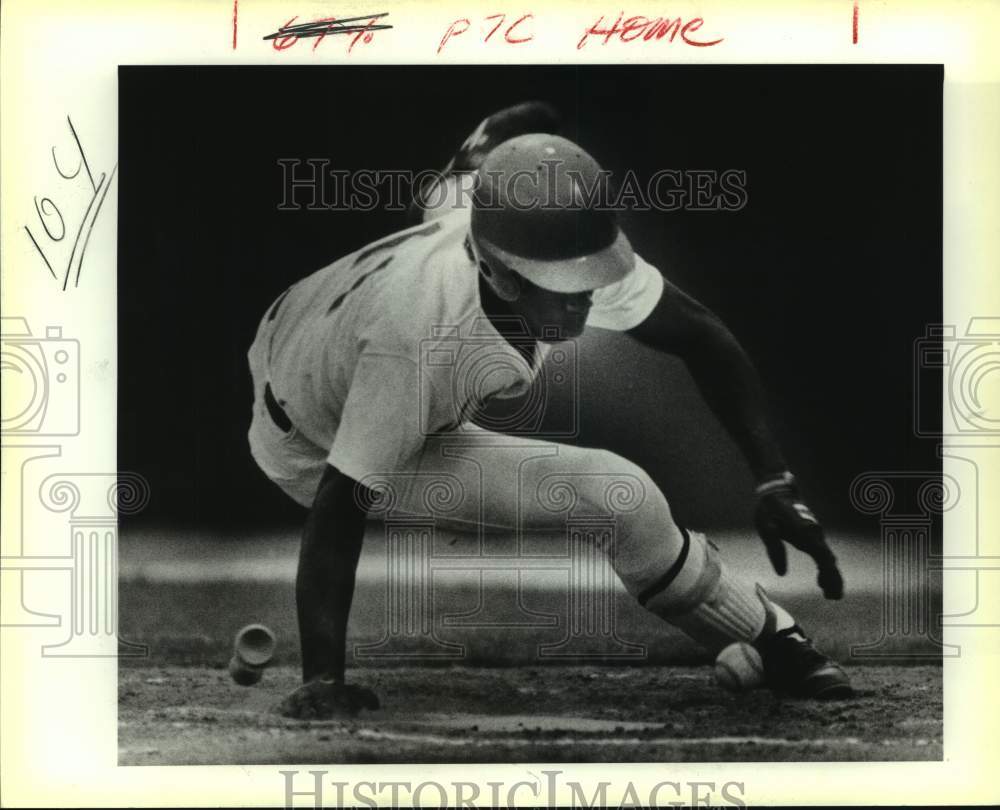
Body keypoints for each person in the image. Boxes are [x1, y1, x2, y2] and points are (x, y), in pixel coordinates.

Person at [247, 102, 852, 720]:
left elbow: (703, 336)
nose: (585, 299)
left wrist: (775, 479)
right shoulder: (414, 341)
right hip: (306, 435)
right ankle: (762, 634)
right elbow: (338, 505)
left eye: (591, 275)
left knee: (625, 496)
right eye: (565, 285)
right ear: (503, 275)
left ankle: (772, 636)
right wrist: (323, 678)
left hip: (337, 329)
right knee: (615, 492)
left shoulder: (540, 235)